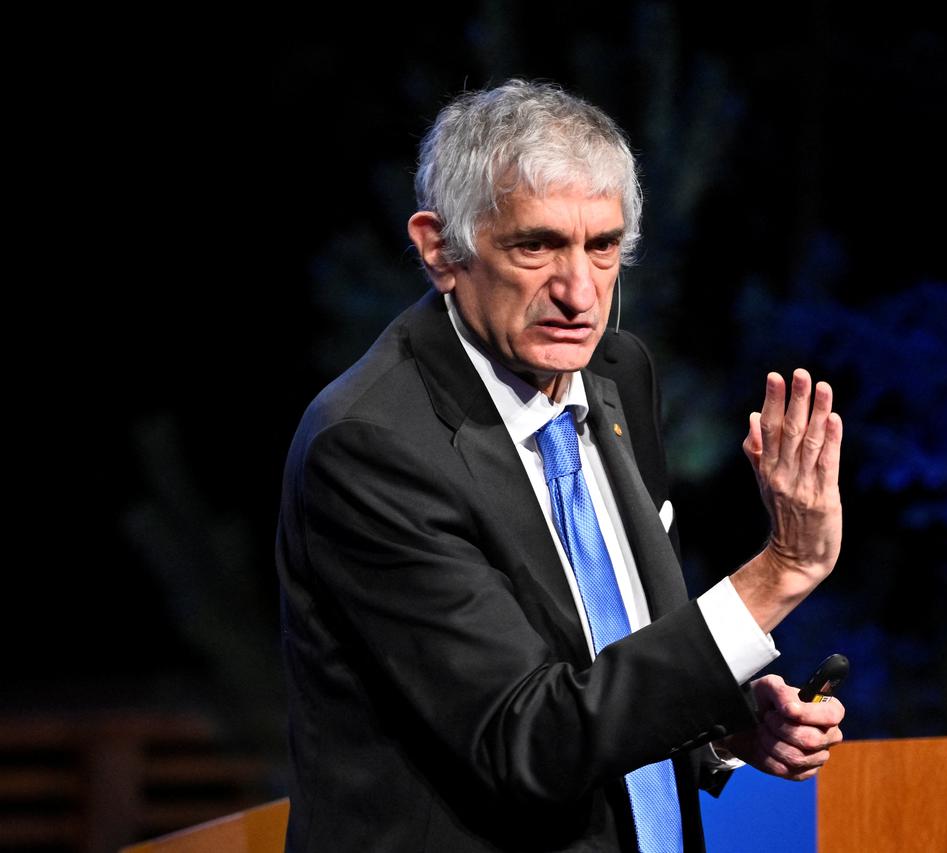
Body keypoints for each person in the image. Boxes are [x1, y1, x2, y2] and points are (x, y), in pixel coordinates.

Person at [276, 79, 845, 852]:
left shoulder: (617, 374)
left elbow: (609, 657)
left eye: (602, 246)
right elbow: (528, 741)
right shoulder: (371, 446)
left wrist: (721, 727)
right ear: (440, 248)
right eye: (535, 245)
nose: (580, 293)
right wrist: (778, 573)